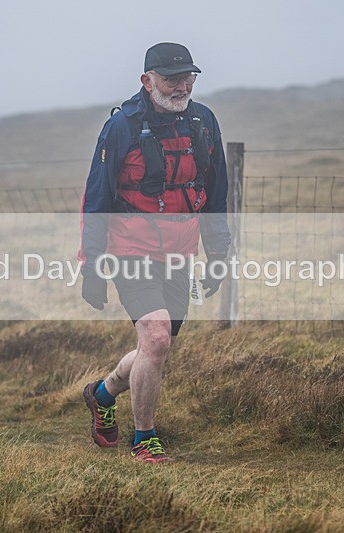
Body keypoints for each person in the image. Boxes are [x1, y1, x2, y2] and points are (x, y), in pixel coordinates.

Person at [78, 42, 231, 463]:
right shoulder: (121, 127)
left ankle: (102, 394)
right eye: (171, 79)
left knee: (157, 347)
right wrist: (91, 265)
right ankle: (144, 438)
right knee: (157, 336)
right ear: (147, 81)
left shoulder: (203, 122)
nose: (182, 87)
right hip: (130, 250)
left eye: (188, 78)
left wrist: (218, 255)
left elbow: (216, 194)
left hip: (180, 252)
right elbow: (97, 198)